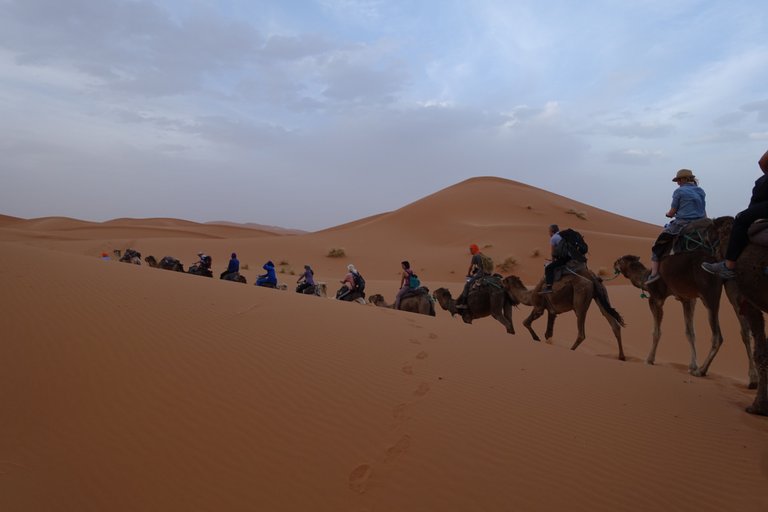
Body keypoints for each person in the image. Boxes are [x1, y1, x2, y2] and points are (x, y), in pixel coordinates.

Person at [702, 149, 768, 279]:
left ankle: (729, 266)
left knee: (740, 219)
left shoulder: (679, 192)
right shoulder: (698, 191)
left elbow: (762, 162)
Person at [645, 169, 707, 284]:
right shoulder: (701, 191)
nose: (678, 183)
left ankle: (654, 274)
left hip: (683, 223)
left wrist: (668, 214)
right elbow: (703, 210)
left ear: (684, 179)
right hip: (702, 223)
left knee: (657, 245)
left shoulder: (679, 192)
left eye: (678, 180)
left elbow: (672, 211)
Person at [456, 244, 487, 308]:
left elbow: (471, 267)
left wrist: (468, 274)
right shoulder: (482, 254)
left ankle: (464, 304)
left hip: (480, 274)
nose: (470, 251)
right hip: (487, 274)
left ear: (474, 249)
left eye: (471, 249)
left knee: (467, 285)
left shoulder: (475, 256)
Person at [539, 224, 567, 294]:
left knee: (548, 268)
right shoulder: (562, 235)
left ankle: (549, 287)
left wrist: (553, 261)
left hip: (563, 259)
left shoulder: (553, 238)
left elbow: (553, 253)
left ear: (551, 231)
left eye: (549, 231)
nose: (548, 233)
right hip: (570, 258)